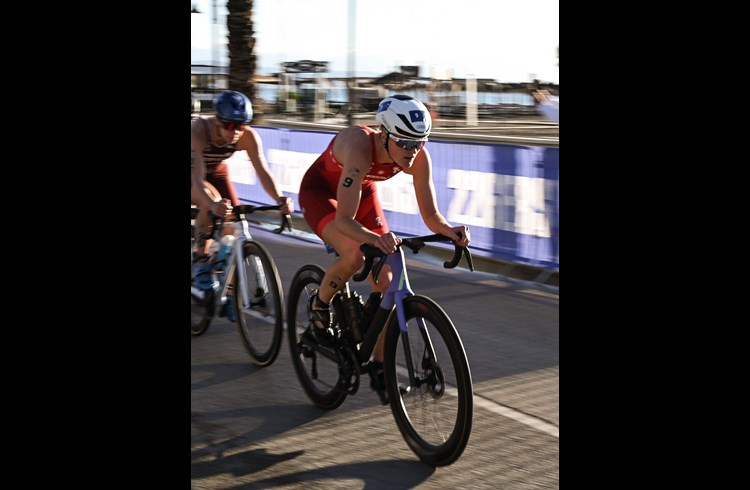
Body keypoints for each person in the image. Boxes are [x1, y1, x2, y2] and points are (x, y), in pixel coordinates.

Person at [297, 94, 471, 403]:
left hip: (360, 192)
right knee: (354, 254)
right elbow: (345, 221)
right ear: (385, 134)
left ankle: (379, 365)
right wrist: (375, 239)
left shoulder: (418, 156)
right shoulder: (360, 148)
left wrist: (449, 230)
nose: (413, 151)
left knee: (391, 282)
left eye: (420, 142)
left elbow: (431, 215)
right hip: (321, 193)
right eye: (405, 143)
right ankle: (320, 305)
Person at [191, 90, 293, 320]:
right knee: (213, 201)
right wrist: (212, 204)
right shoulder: (198, 130)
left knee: (234, 223)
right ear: (216, 120)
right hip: (194, 175)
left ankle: (228, 288)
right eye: (228, 125)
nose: (235, 132)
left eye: (240, 125)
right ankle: (200, 261)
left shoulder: (247, 136)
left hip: (217, 173)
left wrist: (280, 198)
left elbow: (262, 171)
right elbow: (197, 179)